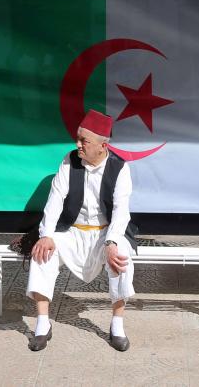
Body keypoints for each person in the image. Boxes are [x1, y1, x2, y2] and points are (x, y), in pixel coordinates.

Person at [26, 109, 137, 352]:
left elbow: (121, 211)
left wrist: (112, 243)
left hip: (106, 233)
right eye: (78, 138)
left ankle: (117, 324)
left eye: (83, 140)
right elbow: (55, 199)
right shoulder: (69, 160)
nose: (78, 144)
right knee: (42, 254)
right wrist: (46, 235)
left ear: (102, 145)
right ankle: (43, 324)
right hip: (72, 230)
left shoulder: (120, 168)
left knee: (121, 259)